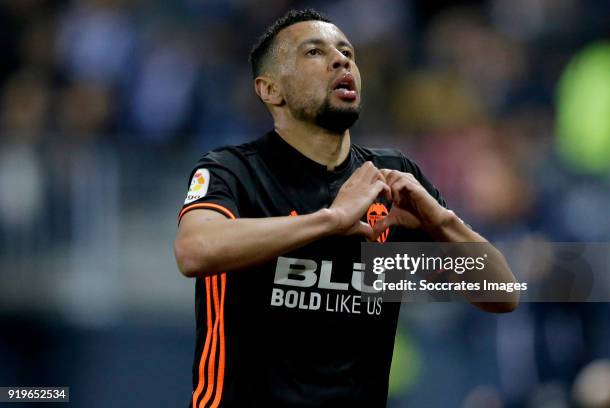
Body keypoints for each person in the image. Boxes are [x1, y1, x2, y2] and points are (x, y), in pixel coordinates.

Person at [174, 9, 518, 408]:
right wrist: (330, 220)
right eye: (314, 53)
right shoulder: (233, 171)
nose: (341, 61)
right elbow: (193, 250)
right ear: (270, 90)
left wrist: (441, 220)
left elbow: (501, 292)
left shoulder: (391, 178)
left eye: (347, 53)